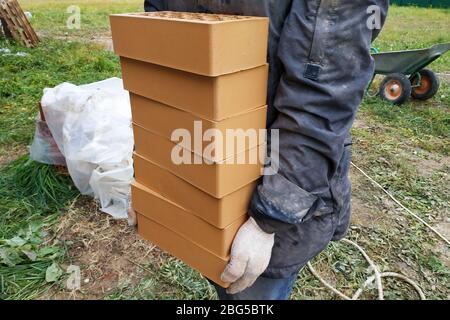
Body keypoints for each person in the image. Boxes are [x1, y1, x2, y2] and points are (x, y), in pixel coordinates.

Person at [143, 0, 389, 300]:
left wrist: (270, 219)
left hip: (270, 189)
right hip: (197, 170)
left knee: (250, 294)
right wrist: (149, 175)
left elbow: (323, 93)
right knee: (219, 278)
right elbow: (157, 60)